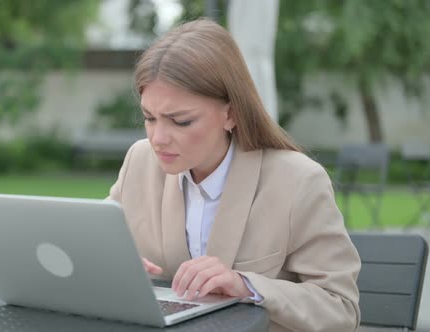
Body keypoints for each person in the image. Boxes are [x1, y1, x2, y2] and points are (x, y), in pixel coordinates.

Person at [108, 19, 360, 332]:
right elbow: (96, 247)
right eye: (149, 118)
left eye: (180, 121)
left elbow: (341, 309)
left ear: (231, 113)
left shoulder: (298, 181)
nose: (158, 138)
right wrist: (114, 266)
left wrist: (246, 286)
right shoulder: (140, 161)